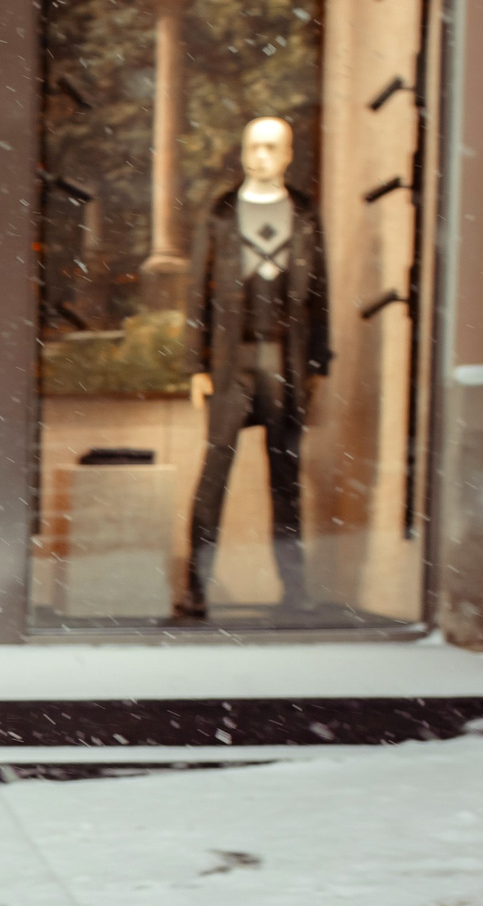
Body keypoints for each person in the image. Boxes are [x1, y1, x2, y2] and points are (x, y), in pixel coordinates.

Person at [184, 115, 330, 622]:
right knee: (214, 476)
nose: (261, 155)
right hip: (232, 363)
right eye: (254, 146)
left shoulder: (305, 214)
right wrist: (195, 364)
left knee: (285, 483)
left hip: (283, 363)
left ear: (288, 155)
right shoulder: (222, 213)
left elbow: (319, 295)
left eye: (272, 146)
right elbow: (197, 291)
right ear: (243, 152)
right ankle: (195, 590)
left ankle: (295, 591)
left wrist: (318, 364)